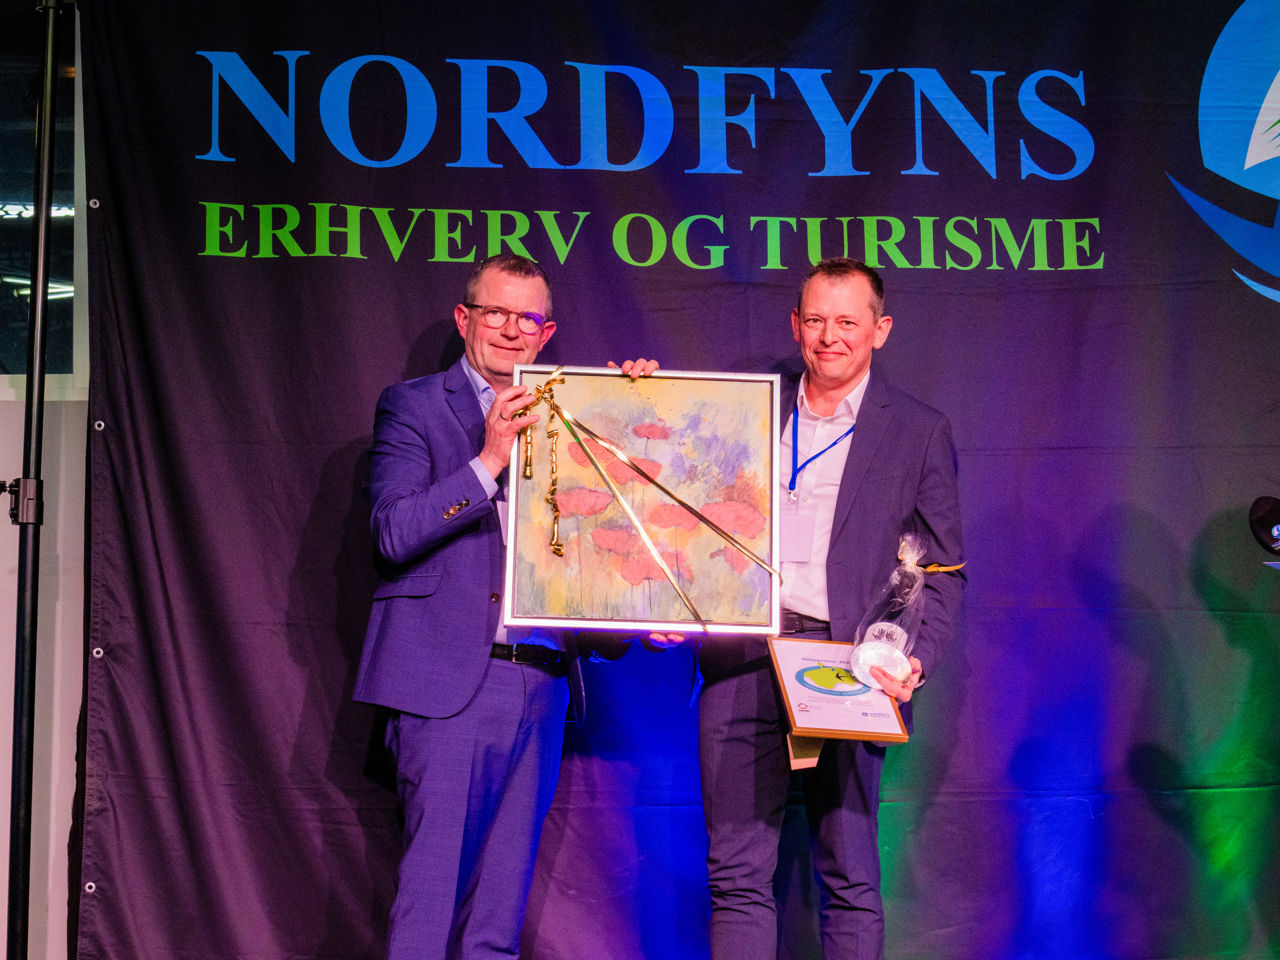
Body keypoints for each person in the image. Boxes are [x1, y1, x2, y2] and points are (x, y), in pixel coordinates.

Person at [353, 252, 655, 960]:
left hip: (542, 684)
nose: (512, 330)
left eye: (528, 318)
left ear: (546, 333)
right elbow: (393, 532)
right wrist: (488, 460)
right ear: (465, 318)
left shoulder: (575, 412)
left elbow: (598, 547)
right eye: (496, 312)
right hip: (451, 684)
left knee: (498, 918)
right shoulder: (415, 406)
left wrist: (639, 407)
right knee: (431, 901)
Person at [697, 258, 965, 960]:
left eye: (847, 321)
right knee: (735, 875)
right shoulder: (746, 405)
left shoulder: (917, 430)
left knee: (848, 873)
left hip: (847, 663)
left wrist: (913, 661)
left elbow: (944, 569)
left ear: (881, 329)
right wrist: (635, 389)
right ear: (795, 325)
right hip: (743, 655)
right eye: (815, 319)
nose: (829, 336)